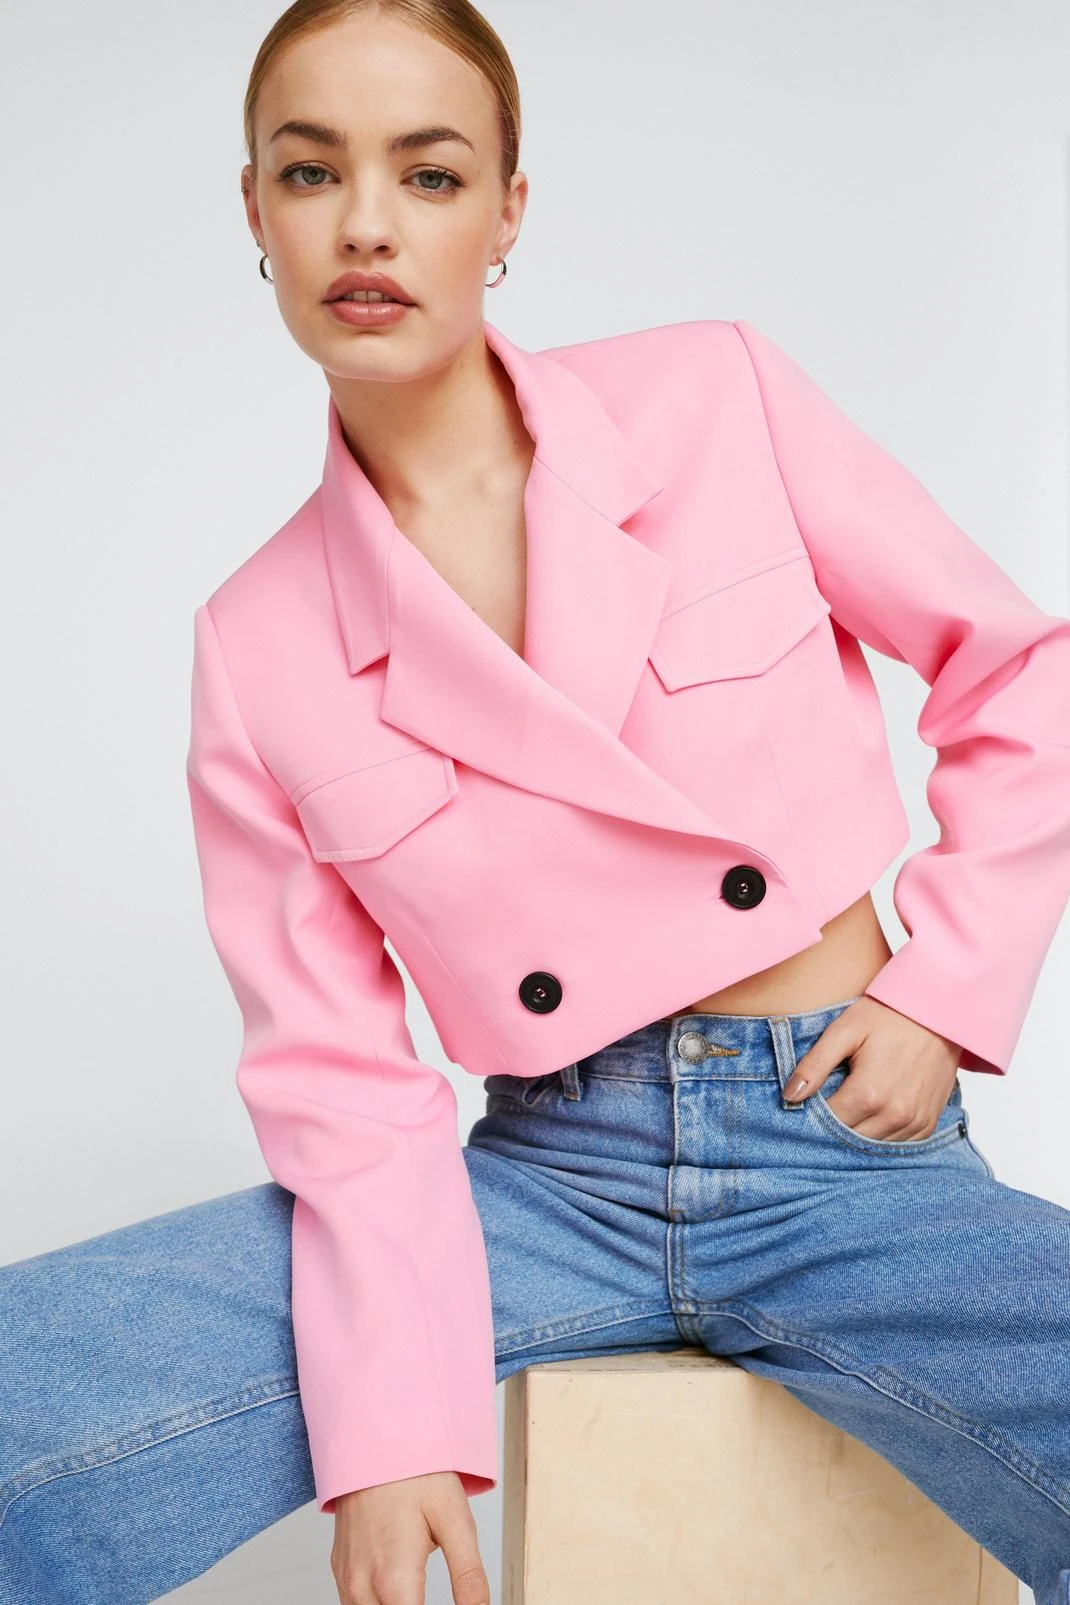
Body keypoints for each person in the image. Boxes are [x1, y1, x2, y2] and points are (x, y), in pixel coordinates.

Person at [3, 1, 1070, 1602]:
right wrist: (389, 1428)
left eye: (428, 175)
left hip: (845, 1140)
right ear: (256, 212)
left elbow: (1020, 668)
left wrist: (944, 987)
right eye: (311, 172)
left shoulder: (711, 397)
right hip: (538, 1181)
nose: (366, 225)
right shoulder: (259, 638)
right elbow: (340, 1078)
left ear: (506, 212)